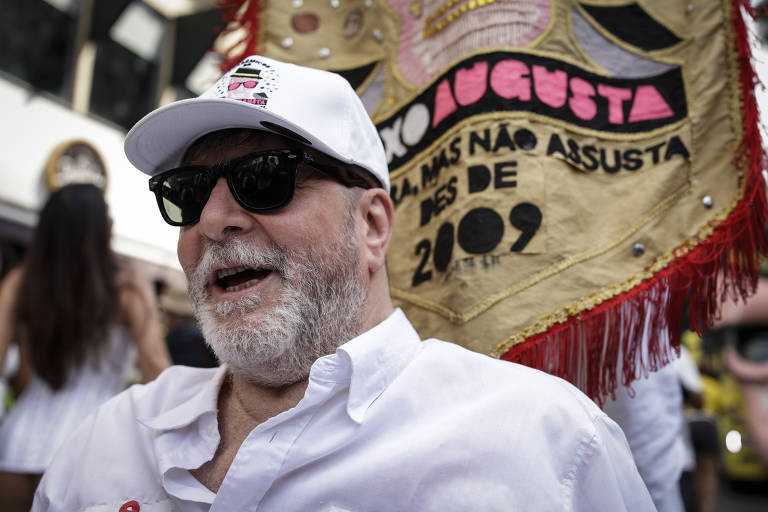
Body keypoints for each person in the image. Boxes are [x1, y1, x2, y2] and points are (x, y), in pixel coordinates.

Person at [32, 56, 655, 511]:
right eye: (187, 195)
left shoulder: (544, 446)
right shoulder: (109, 439)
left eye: (266, 177)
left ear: (373, 226)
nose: (215, 220)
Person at [0, 184, 172, 512]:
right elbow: (155, 368)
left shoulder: (22, 283)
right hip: (93, 446)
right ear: (102, 228)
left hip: (15, 445)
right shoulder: (127, 285)